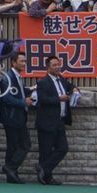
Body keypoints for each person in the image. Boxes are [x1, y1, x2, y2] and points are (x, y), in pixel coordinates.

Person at [34, 56, 78, 185]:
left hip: (59, 120)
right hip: (46, 122)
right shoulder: (43, 82)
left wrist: (75, 89)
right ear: (48, 67)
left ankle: (43, 168)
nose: (57, 67)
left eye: (58, 64)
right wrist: (59, 99)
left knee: (63, 148)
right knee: (46, 151)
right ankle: (46, 178)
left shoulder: (62, 80)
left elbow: (70, 86)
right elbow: (42, 100)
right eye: (54, 65)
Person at [0, 51, 31, 183]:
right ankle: (10, 167)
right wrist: (23, 102)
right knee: (25, 144)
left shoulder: (17, 77)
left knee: (14, 146)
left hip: (18, 117)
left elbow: (19, 92)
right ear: (13, 62)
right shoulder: (8, 77)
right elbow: (6, 98)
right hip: (11, 117)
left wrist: (31, 90)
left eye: (25, 61)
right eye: (22, 61)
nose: (24, 64)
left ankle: (11, 175)